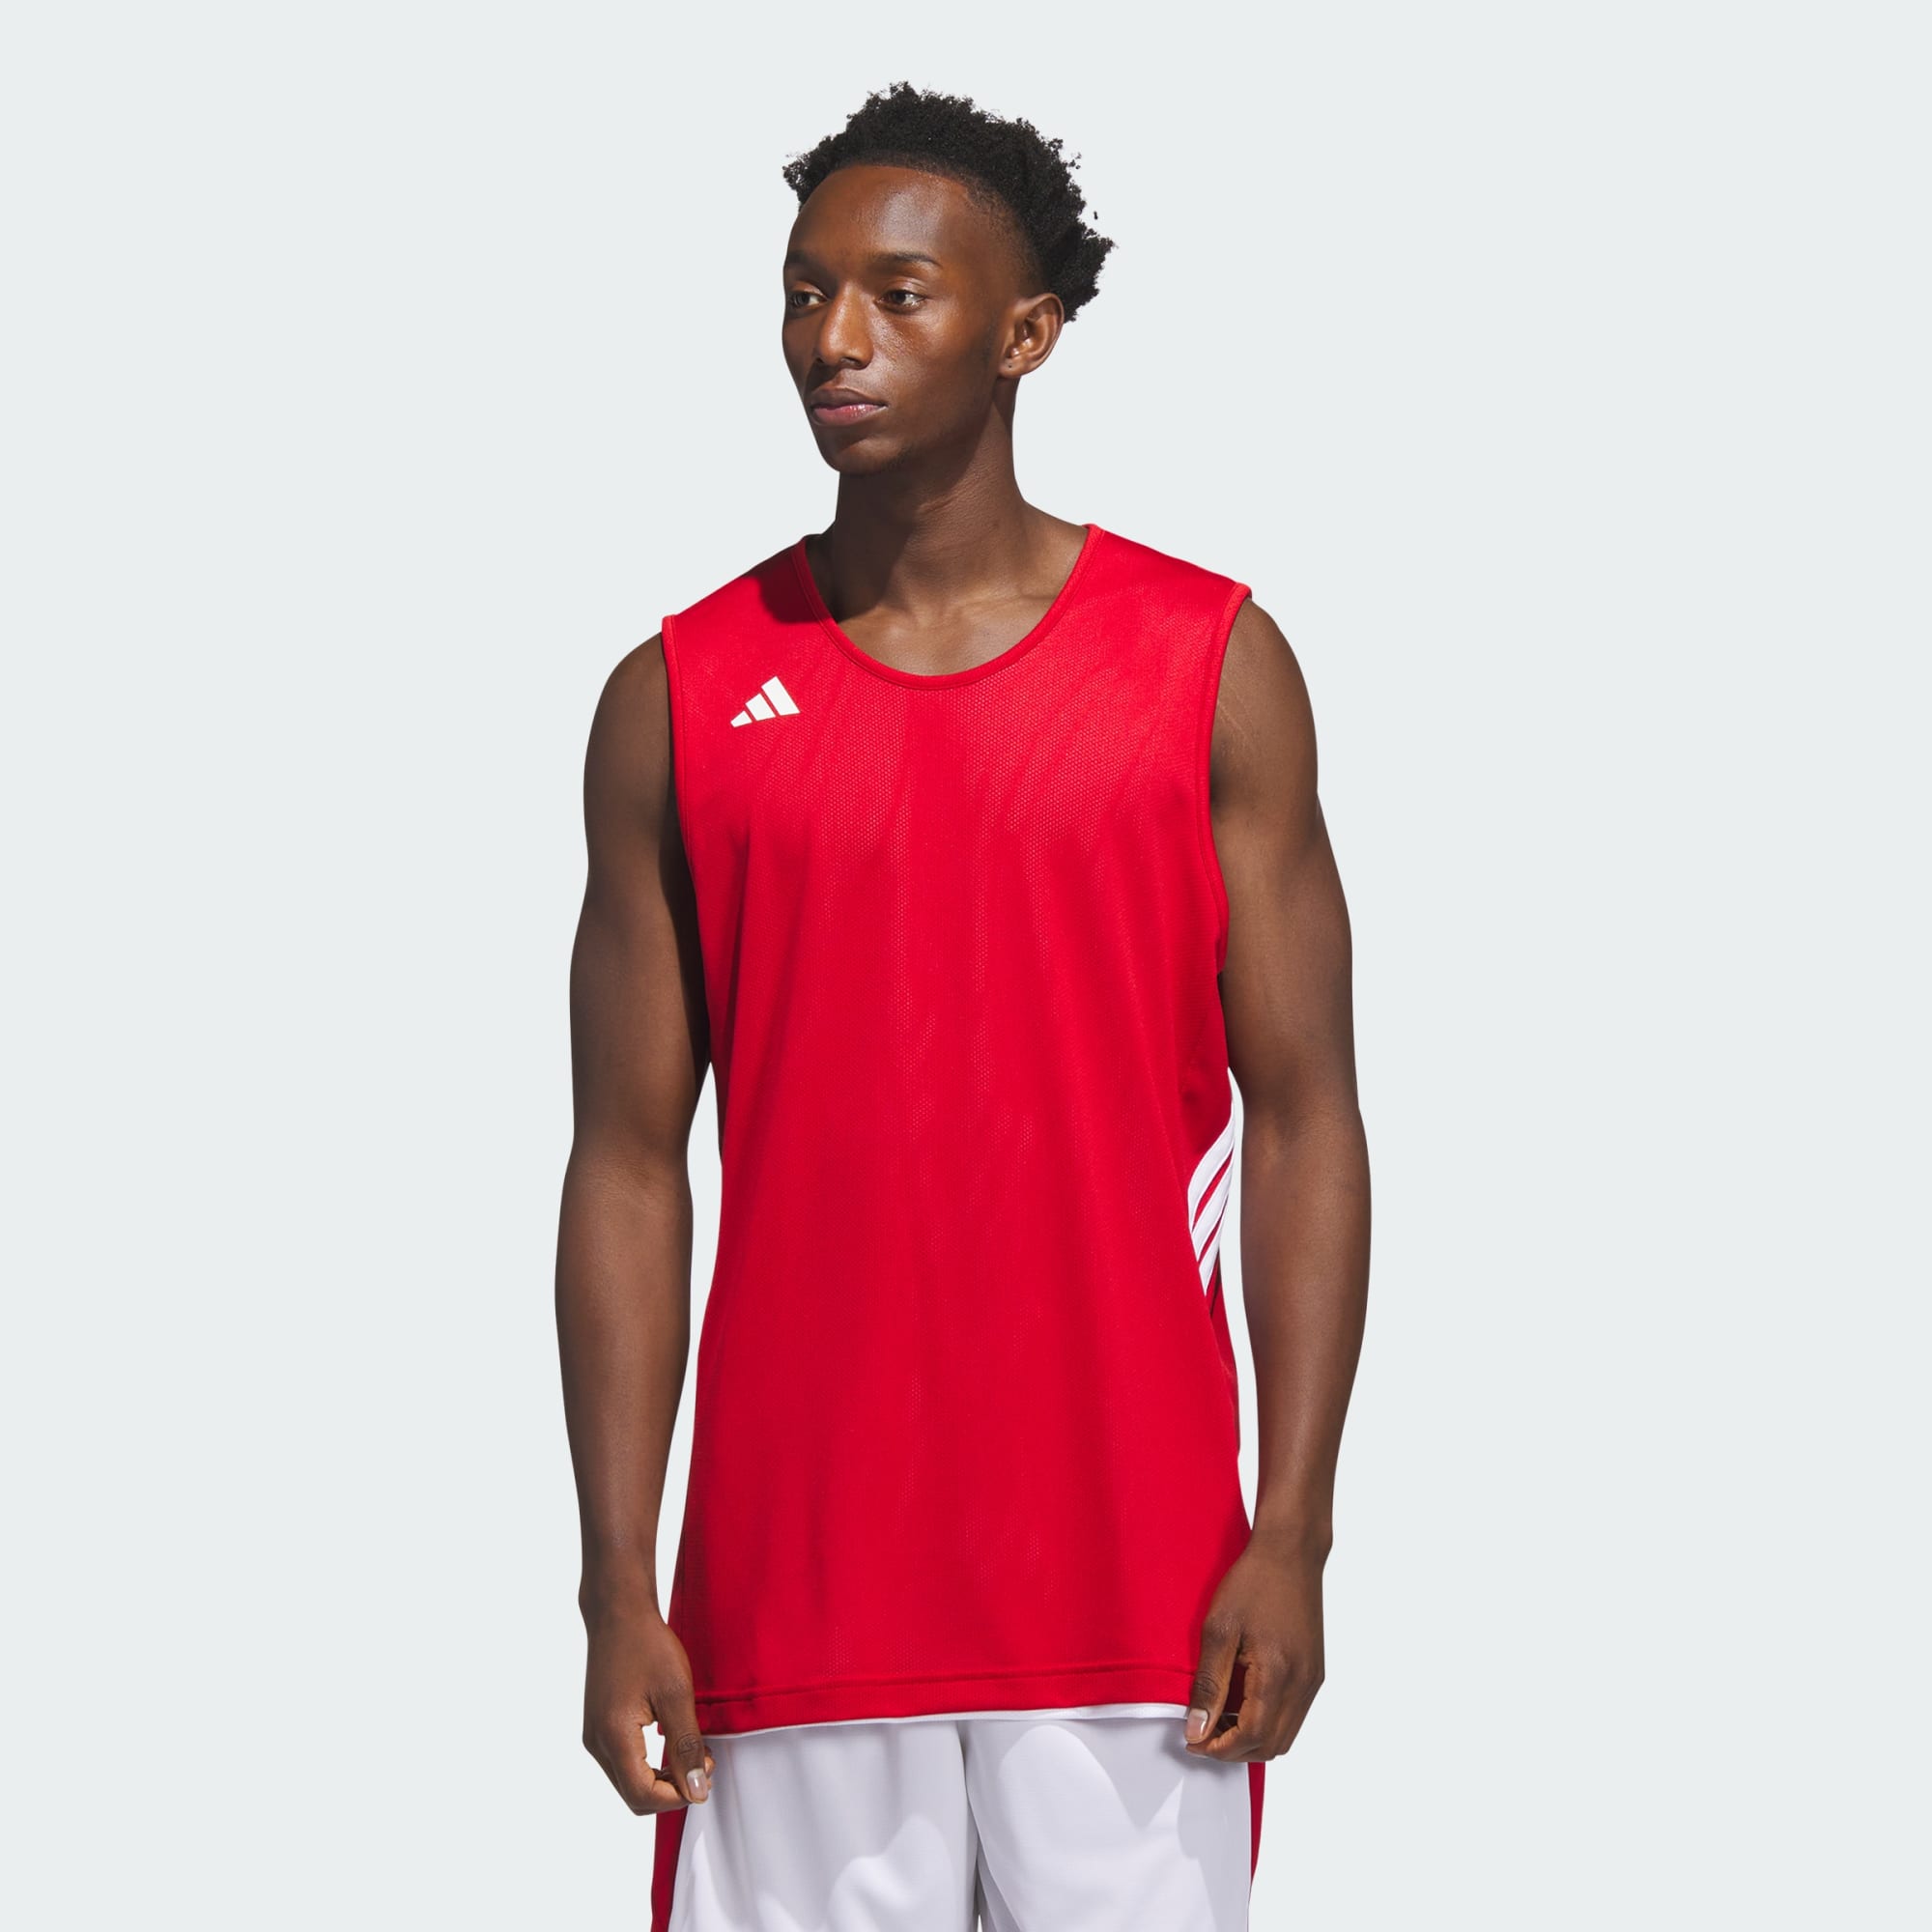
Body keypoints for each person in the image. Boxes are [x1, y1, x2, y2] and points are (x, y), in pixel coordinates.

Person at [555, 80, 1372, 1932]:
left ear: (1027, 333)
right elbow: (624, 1164)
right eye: (805, 291)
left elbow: (1309, 1115)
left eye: (897, 294)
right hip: (791, 1601)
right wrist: (616, 1582)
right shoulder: (680, 697)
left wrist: (1295, 1533)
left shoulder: (1207, 667)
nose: (832, 338)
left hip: (1137, 1600)